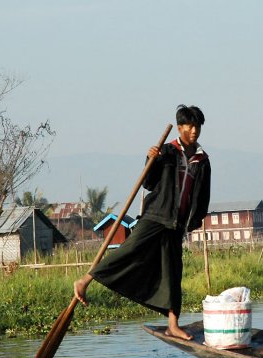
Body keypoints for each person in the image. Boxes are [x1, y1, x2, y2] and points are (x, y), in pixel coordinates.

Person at [74, 104, 211, 340]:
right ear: (180, 128)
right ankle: (85, 280)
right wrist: (151, 159)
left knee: (173, 271)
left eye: (197, 126)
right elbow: (148, 183)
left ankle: (173, 324)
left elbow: (203, 194)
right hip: (156, 215)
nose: (194, 130)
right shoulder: (167, 152)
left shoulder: (202, 160)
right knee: (130, 249)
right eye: (190, 126)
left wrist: (195, 220)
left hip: (177, 223)